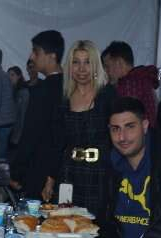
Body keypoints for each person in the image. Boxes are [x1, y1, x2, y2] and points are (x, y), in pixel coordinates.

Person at [42, 40, 116, 216]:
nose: (82, 69)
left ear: (95, 65)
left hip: (100, 174)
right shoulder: (63, 99)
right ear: (70, 66)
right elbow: (57, 144)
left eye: (87, 62)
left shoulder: (108, 95)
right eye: (76, 62)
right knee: (65, 224)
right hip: (68, 173)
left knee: (96, 225)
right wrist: (50, 180)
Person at [97, 97, 161, 238]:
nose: (122, 137)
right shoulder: (109, 162)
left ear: (145, 126)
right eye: (115, 129)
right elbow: (106, 215)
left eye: (130, 127)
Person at [12, 30, 65, 198]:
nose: (32, 56)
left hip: (39, 170)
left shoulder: (43, 91)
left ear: (52, 55)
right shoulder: (70, 87)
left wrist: (17, 171)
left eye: (36, 51)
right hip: (62, 170)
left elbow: (31, 133)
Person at [103, 40, 159, 126]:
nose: (106, 71)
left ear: (119, 63)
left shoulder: (130, 84)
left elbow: (124, 119)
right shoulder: (140, 79)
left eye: (107, 66)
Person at [7, 65, 30, 154]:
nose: (9, 77)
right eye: (8, 75)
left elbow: (23, 115)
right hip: (11, 131)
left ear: (19, 76)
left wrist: (19, 136)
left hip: (18, 134)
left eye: (12, 75)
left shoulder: (23, 92)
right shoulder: (12, 91)